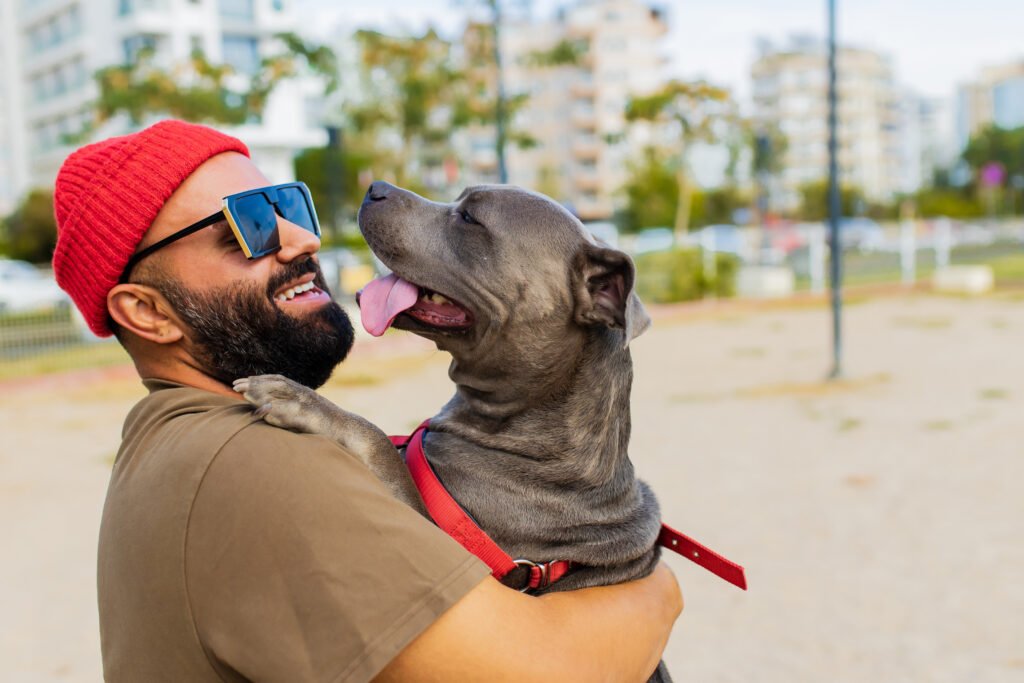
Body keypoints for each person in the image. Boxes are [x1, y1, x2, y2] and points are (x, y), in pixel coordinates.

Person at [53, 119, 683, 682]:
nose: (300, 239)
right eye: (245, 225)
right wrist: (655, 590)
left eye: (287, 204)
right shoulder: (258, 466)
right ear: (146, 313)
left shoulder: (169, 445)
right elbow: (545, 673)